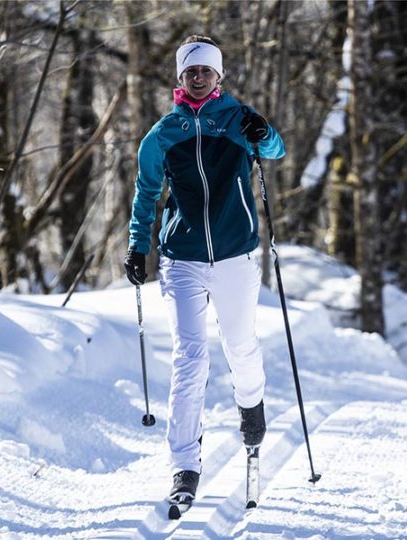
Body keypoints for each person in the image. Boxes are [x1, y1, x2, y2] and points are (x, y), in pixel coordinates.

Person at [123, 35, 285, 510]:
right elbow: (146, 194)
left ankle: (251, 407)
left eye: (206, 71)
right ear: (180, 78)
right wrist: (138, 247)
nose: (198, 78)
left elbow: (274, 151)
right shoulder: (162, 135)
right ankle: (183, 466)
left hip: (235, 254)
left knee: (240, 347)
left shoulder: (236, 120)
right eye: (190, 71)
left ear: (219, 76)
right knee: (189, 357)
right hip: (182, 258)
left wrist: (263, 130)